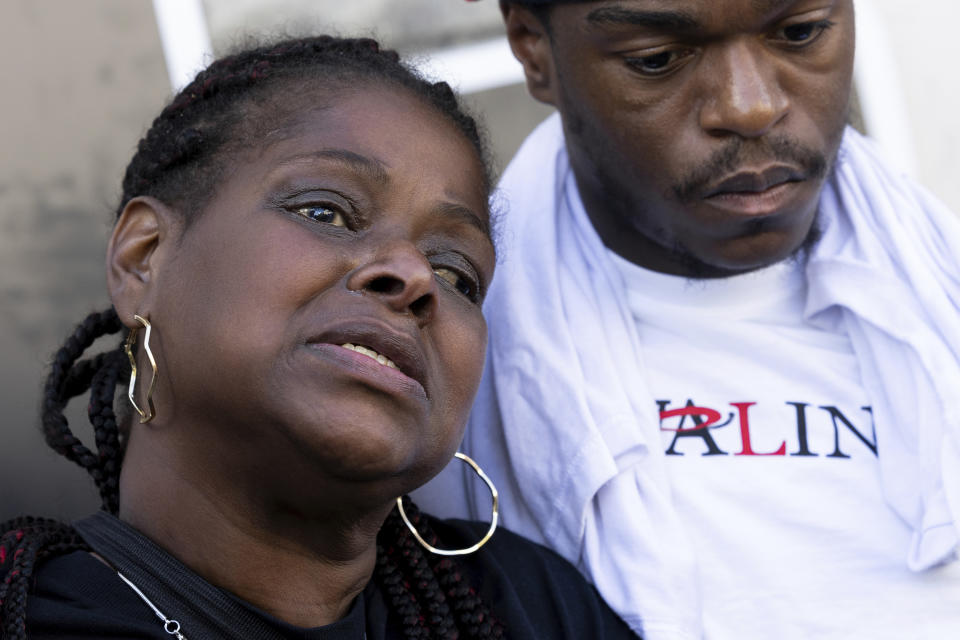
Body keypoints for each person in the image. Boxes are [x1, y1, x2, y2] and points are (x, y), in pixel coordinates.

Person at [0, 35, 639, 640]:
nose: (415, 275)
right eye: (324, 212)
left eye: (456, 274)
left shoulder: (528, 608)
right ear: (145, 258)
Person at [419, 1, 960, 638]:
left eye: (799, 33)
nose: (750, 106)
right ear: (533, 46)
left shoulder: (937, 286)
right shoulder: (433, 380)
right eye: (657, 59)